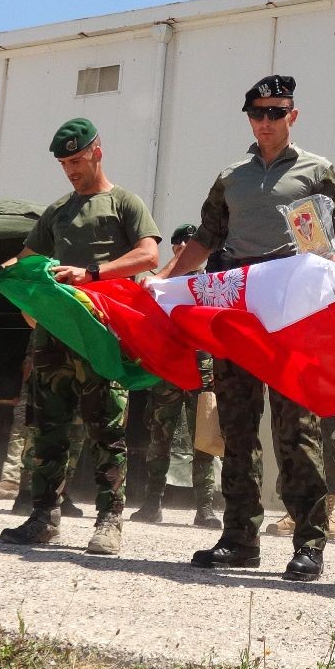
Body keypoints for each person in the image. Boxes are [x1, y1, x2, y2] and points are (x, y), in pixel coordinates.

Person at [155, 74, 335, 582]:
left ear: (293, 115)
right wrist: (160, 283)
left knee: (297, 429)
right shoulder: (231, 178)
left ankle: (309, 542)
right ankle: (239, 538)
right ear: (248, 117)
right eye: (257, 113)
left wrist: (329, 258)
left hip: (290, 307)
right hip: (238, 307)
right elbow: (205, 239)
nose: (266, 121)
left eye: (275, 112)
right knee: (237, 428)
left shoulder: (317, 171)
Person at [0, 118, 160, 555]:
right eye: (64, 164)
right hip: (55, 333)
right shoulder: (57, 211)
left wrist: (91, 273)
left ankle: (109, 520)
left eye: (76, 161)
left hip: (101, 331)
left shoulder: (124, 203)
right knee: (47, 427)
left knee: (106, 427)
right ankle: (43, 518)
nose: (71, 170)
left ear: (97, 152)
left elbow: (149, 255)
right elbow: (26, 259)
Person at [130, 224, 220, 529]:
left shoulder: (210, 283)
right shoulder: (161, 284)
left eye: (191, 244)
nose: (185, 249)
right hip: (168, 370)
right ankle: (152, 503)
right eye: (180, 244)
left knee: (203, 440)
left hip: (201, 372)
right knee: (160, 438)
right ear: (174, 249)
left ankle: (205, 508)